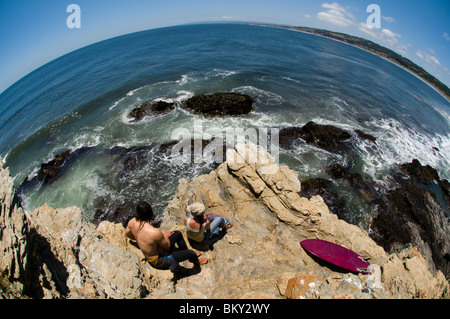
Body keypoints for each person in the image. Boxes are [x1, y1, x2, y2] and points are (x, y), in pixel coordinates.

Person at [125, 201, 207, 274]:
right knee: (191, 253)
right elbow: (167, 246)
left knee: (177, 233)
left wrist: (140, 239)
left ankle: (185, 253)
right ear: (150, 213)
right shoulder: (154, 232)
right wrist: (165, 236)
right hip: (158, 260)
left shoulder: (132, 222)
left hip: (156, 250)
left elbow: (127, 234)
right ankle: (195, 263)